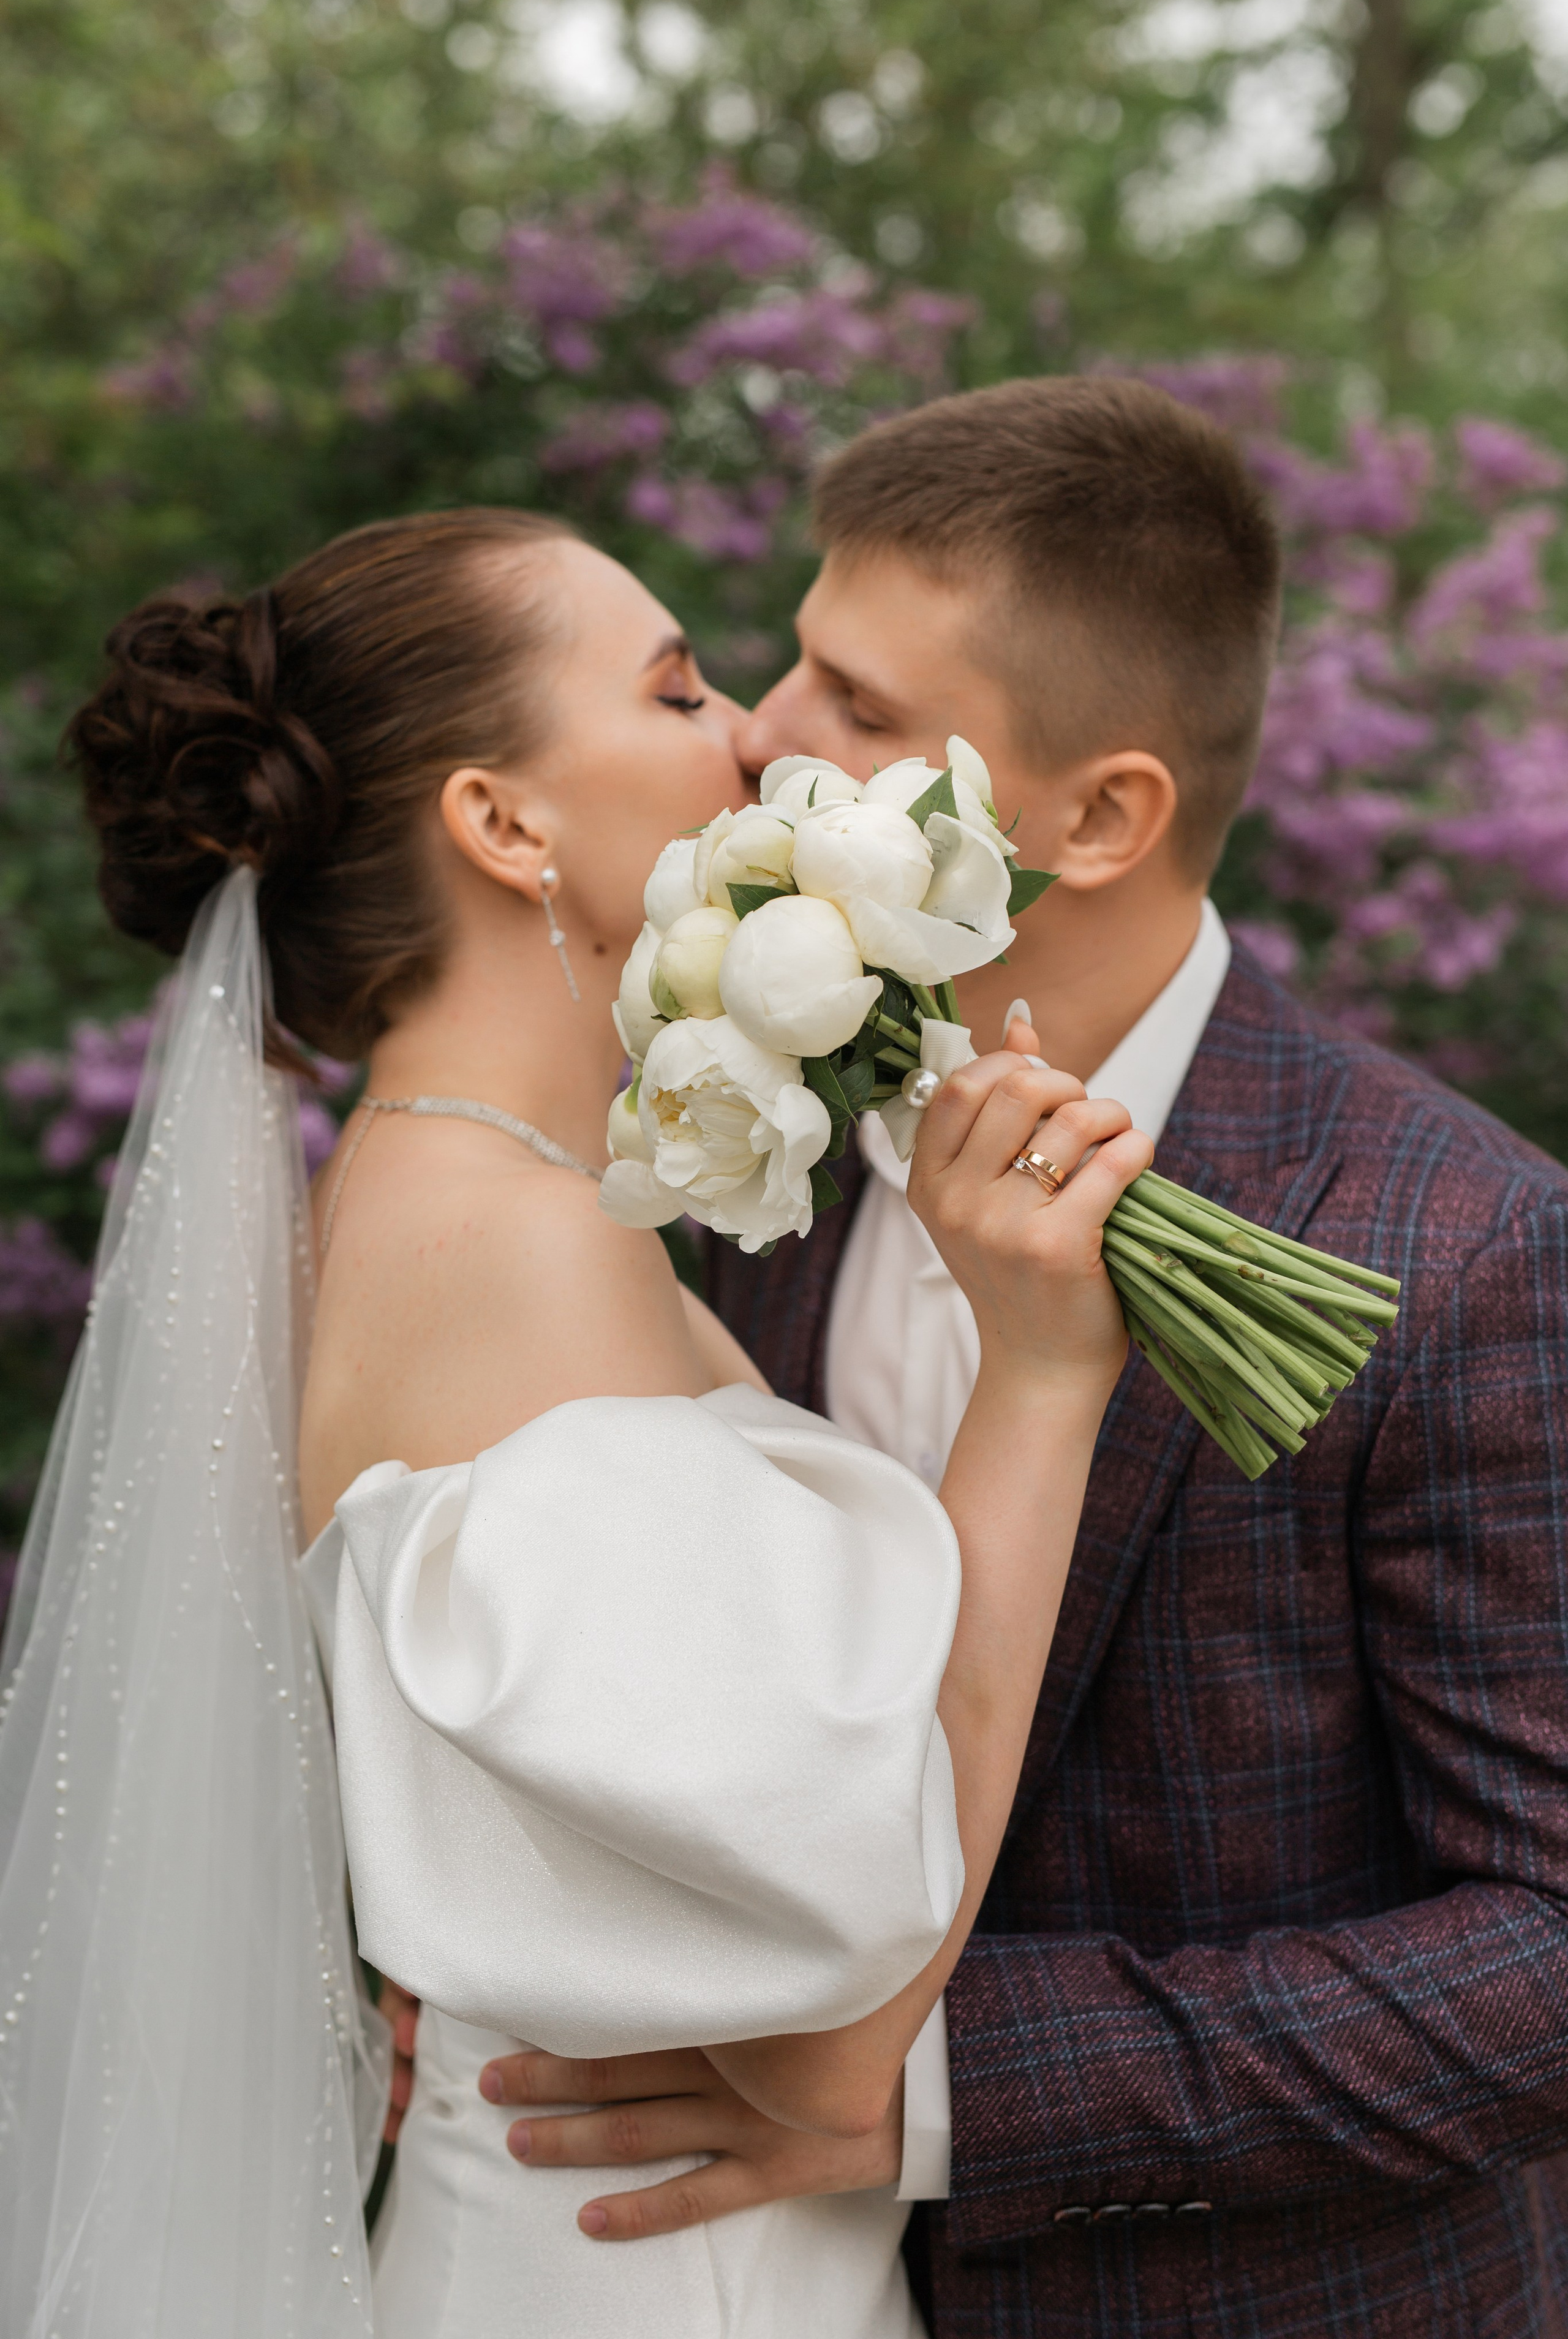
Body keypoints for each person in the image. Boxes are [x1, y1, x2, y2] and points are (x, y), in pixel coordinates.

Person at [0, 505, 1154, 2339]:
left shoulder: (493, 1201)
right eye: (681, 687)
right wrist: (1044, 1376)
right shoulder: (504, 1250)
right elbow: (829, 2051)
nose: (760, 740)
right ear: (504, 821)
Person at [488, 380, 1568, 2337]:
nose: (759, 735)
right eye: (792, 663)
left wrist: (932, 2088)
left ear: (1101, 815)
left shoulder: (1465, 1249)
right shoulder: (749, 1136)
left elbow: (1552, 1949)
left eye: (864, 712)